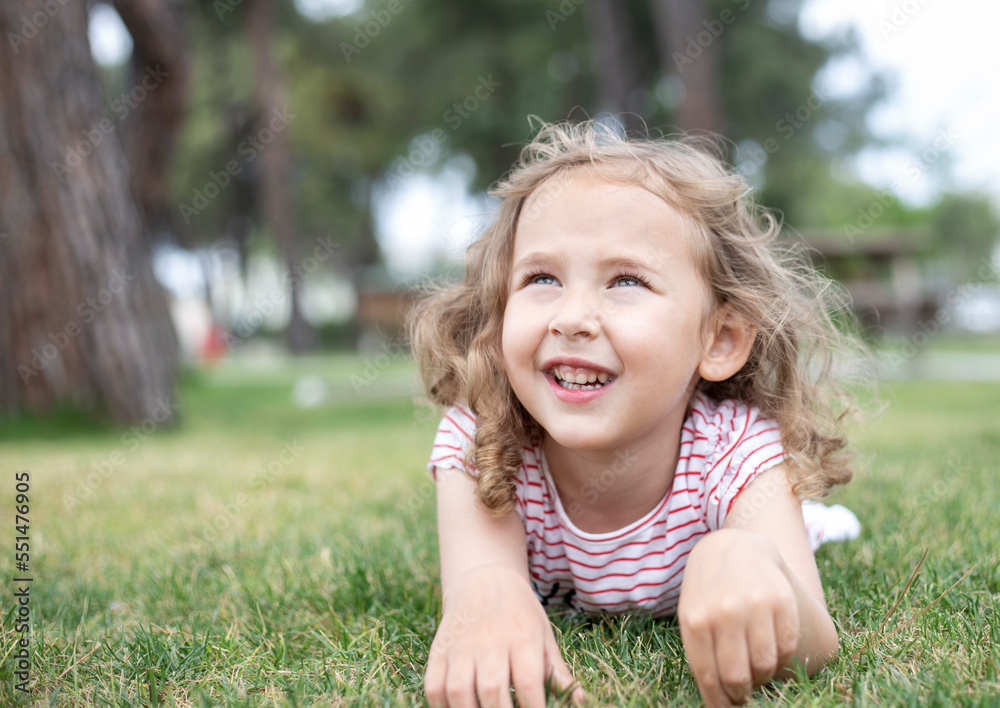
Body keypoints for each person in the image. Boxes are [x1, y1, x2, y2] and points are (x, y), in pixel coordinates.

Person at [409, 119, 862, 707]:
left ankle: (818, 524)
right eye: (542, 277)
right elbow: (478, 581)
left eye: (625, 280)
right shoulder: (483, 439)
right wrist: (483, 593)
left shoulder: (735, 451)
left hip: (743, 520)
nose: (571, 317)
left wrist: (742, 556)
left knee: (802, 532)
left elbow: (816, 640)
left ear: (720, 339)